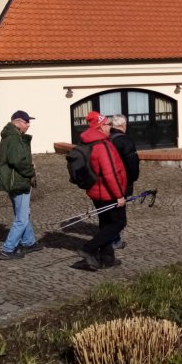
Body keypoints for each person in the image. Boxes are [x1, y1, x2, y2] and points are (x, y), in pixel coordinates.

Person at [77, 111, 128, 270]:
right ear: (100, 127)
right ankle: (88, 248)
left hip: (96, 192)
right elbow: (109, 173)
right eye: (107, 124)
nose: (110, 127)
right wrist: (119, 195)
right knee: (119, 222)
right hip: (108, 192)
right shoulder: (102, 145)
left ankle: (107, 258)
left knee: (105, 223)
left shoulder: (89, 142)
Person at [0, 110, 42, 260]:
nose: (28, 125)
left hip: (14, 180)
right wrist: (31, 171)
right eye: (26, 122)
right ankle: (7, 249)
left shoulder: (10, 136)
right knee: (21, 217)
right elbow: (17, 161)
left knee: (23, 213)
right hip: (18, 181)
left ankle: (28, 242)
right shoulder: (14, 138)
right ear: (17, 122)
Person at [109, 114, 140, 250]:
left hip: (107, 180)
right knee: (119, 212)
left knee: (109, 210)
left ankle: (110, 237)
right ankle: (115, 240)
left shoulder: (106, 139)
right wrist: (133, 178)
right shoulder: (125, 141)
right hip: (122, 181)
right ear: (123, 126)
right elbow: (132, 164)